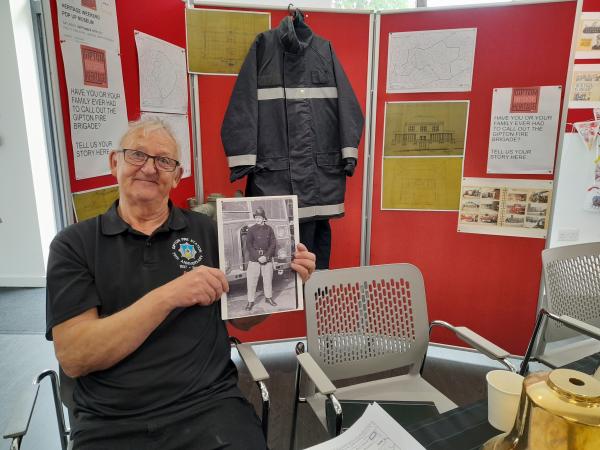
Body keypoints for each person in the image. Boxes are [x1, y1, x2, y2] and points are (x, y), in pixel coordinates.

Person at [45, 118, 316, 450]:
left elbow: (243, 320)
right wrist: (170, 295)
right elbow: (75, 355)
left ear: (176, 176)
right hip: (111, 420)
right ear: (115, 162)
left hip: (210, 407)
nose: (149, 168)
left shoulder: (206, 232)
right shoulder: (75, 244)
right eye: (137, 155)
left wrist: (288, 277)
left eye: (164, 161)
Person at [245, 207, 277, 311]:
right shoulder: (251, 229)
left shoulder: (269, 229)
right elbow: (248, 245)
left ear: (264, 218)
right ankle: (250, 301)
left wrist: (266, 256)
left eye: (260, 217)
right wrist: (258, 257)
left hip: (267, 259)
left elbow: (273, 244)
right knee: (251, 281)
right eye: (256, 217)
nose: (257, 219)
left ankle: (268, 298)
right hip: (254, 260)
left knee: (268, 280)